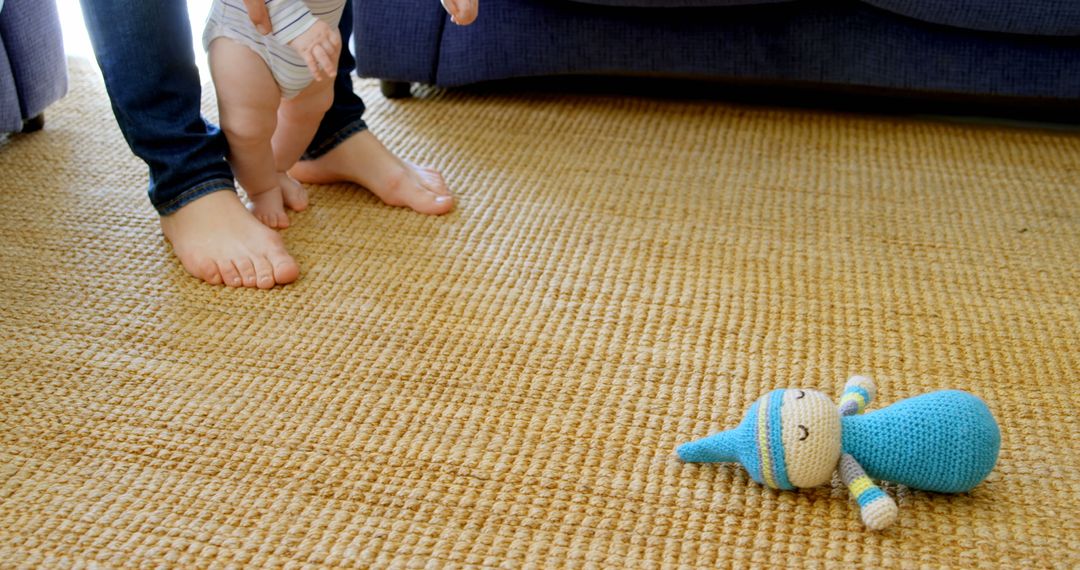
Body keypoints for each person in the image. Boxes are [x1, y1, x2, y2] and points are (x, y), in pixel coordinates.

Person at [79, 0, 479, 289]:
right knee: (248, 127)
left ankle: (317, 144)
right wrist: (296, 23)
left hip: (316, 47)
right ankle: (234, 184)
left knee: (314, 106)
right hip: (250, 40)